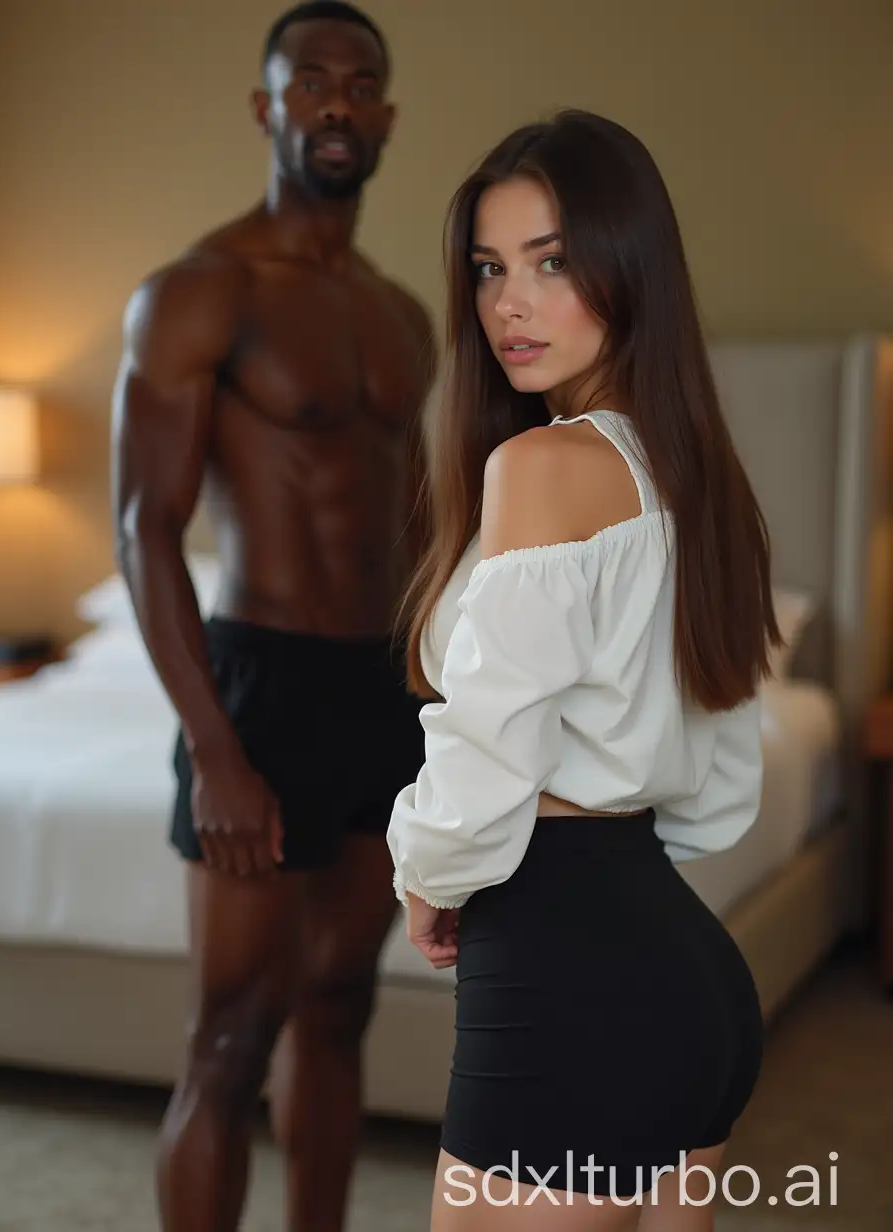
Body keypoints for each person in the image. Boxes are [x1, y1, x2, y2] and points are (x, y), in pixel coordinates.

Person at [387, 109, 780, 1231]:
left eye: (551, 263)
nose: (509, 302)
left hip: (567, 982)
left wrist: (428, 867)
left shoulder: (546, 467)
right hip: (682, 972)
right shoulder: (693, 474)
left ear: (628, 269)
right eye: (488, 267)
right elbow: (712, 793)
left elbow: (485, 738)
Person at [111, 5, 436, 1230]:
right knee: (231, 1036)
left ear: (387, 118)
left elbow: (418, 537)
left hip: (381, 693)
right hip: (257, 683)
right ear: (269, 108)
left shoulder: (406, 317)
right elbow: (145, 528)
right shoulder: (200, 291)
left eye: (362, 86)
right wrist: (214, 748)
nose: (338, 104)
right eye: (312, 83)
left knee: (340, 1003)